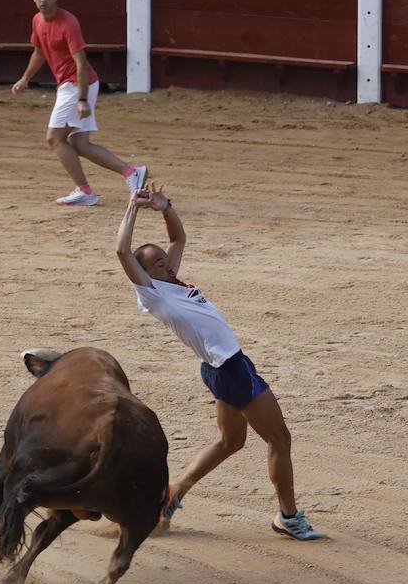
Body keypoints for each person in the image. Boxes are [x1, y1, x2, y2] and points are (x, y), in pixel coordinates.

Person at [116, 186, 326, 542]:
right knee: (280, 439)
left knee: (231, 442)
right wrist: (133, 207)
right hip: (230, 369)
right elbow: (122, 250)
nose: (166, 263)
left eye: (165, 261)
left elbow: (178, 237)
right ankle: (288, 518)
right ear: (144, 272)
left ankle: (173, 494)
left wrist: (166, 207)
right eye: (157, 263)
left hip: (225, 366)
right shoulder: (151, 292)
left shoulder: (171, 283)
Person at [12, 0, 148, 207]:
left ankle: (85, 191)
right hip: (72, 85)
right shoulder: (37, 20)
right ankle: (132, 173)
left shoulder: (69, 23)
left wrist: (82, 99)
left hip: (77, 85)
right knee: (81, 144)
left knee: (54, 138)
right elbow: (40, 52)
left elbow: (81, 63)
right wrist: (25, 78)